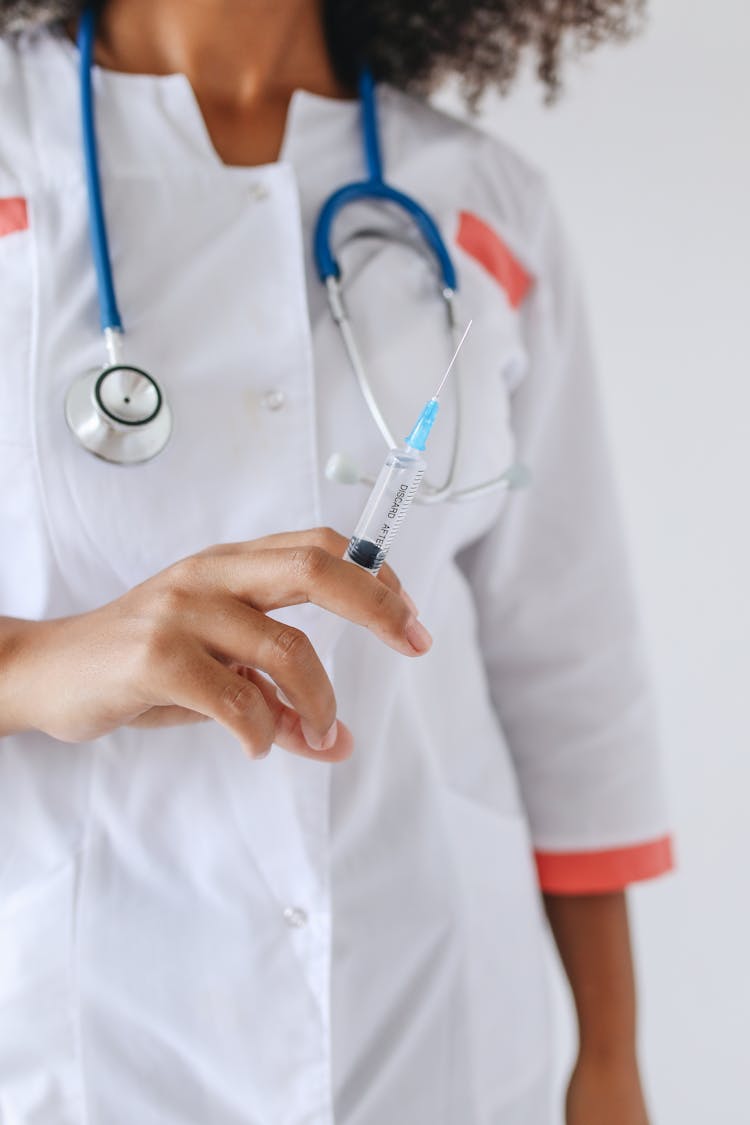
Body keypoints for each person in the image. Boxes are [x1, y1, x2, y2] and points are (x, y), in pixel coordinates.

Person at [0, 1, 673, 1122]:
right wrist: (32, 666)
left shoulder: (481, 198)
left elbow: (569, 668)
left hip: (427, 1014)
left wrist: (611, 1061)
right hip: (76, 1027)